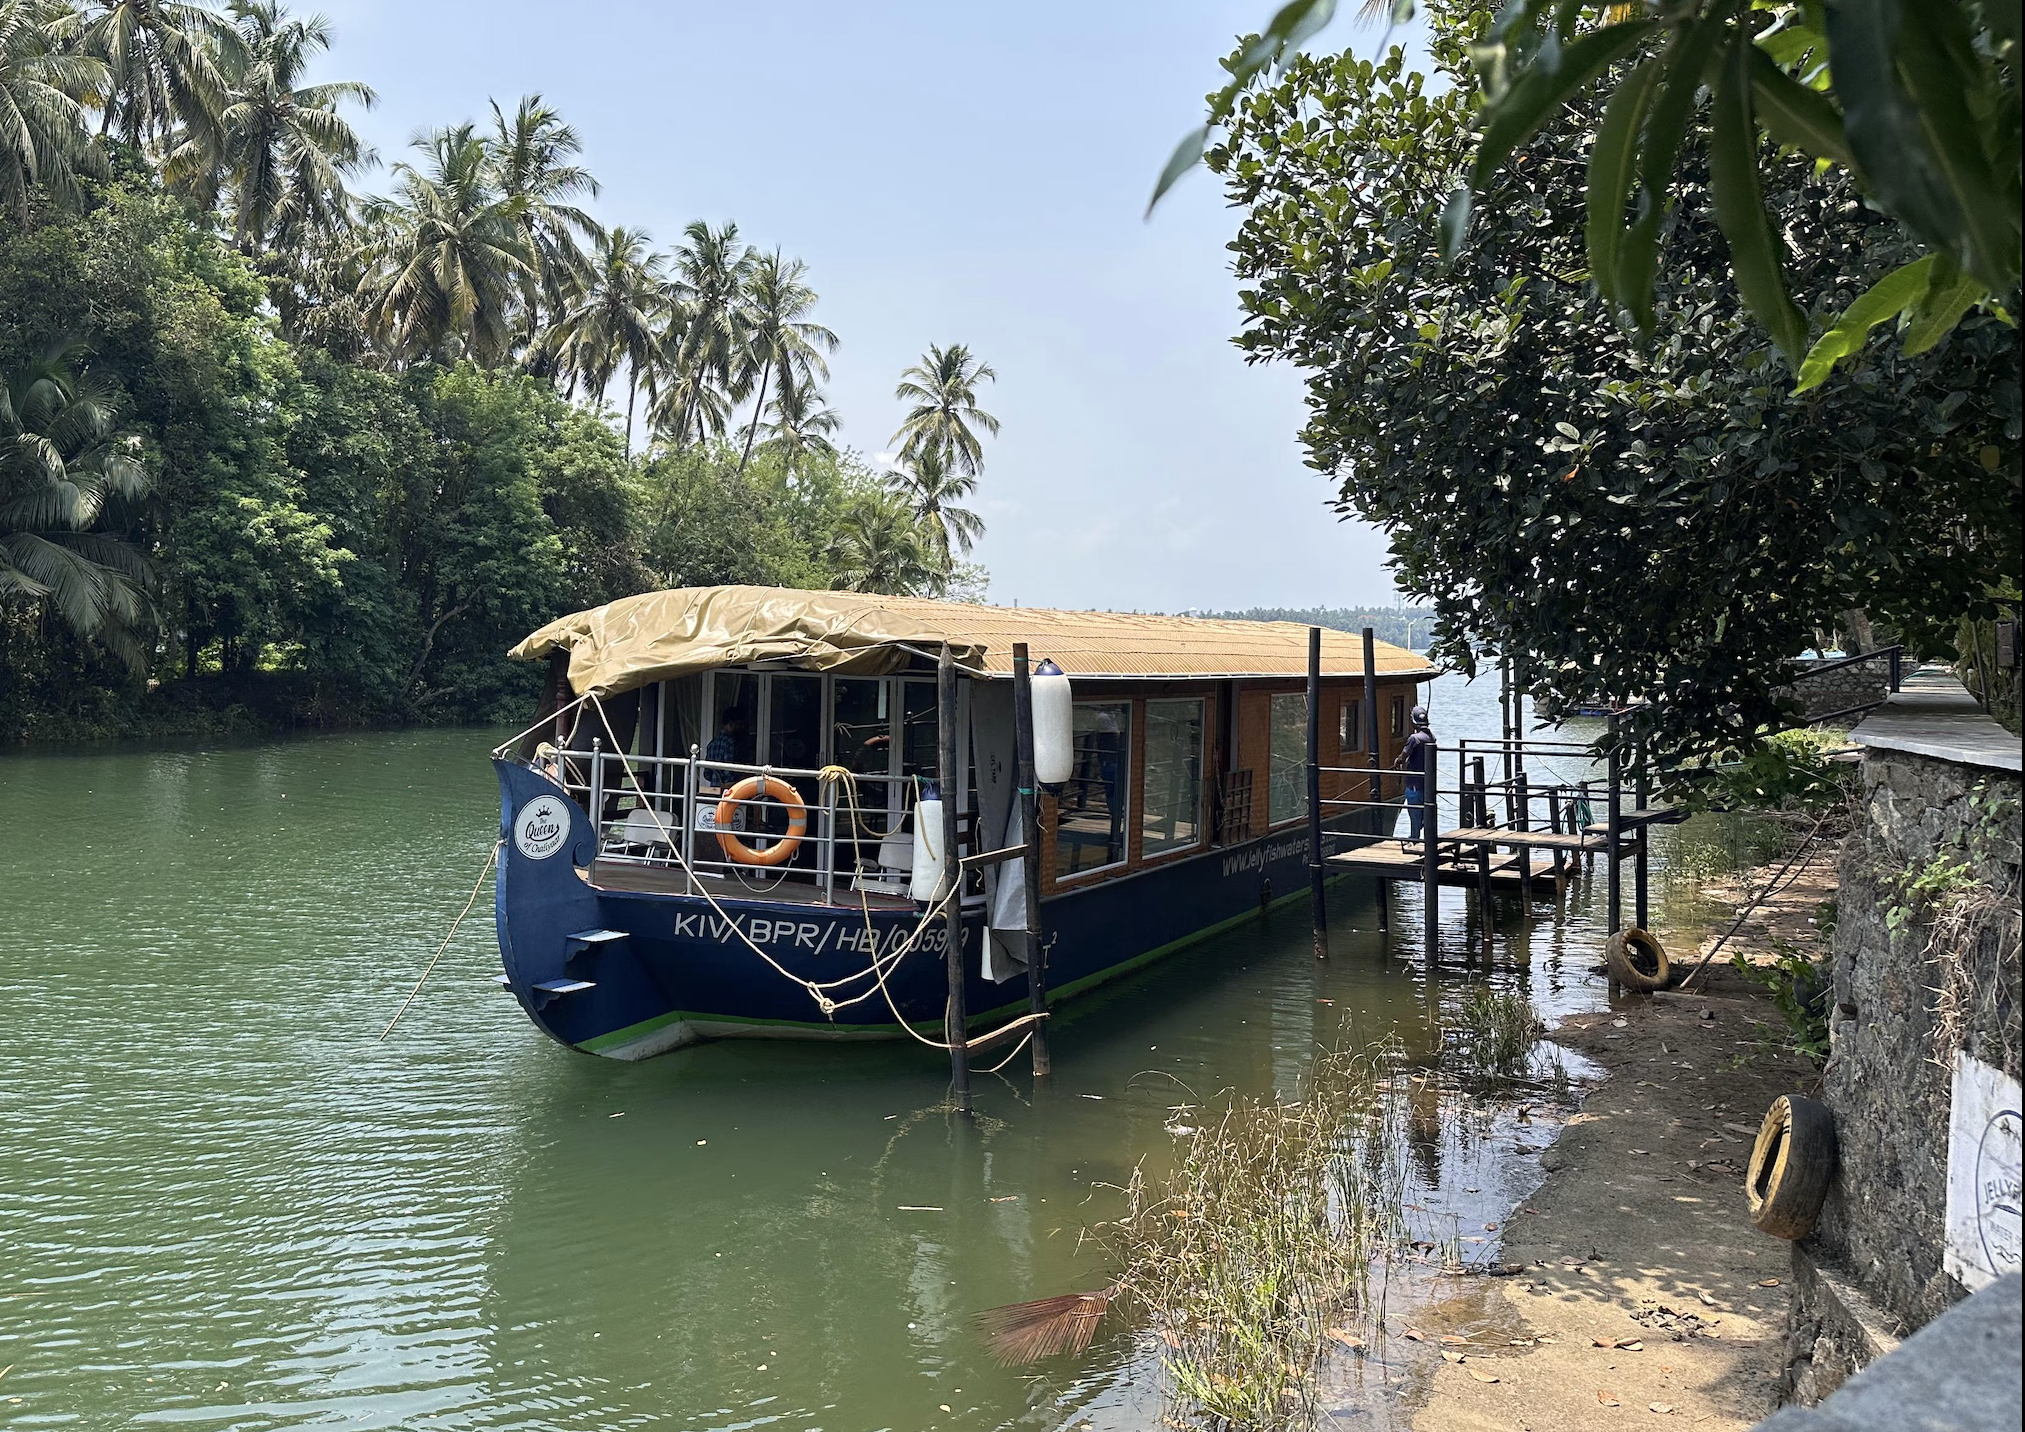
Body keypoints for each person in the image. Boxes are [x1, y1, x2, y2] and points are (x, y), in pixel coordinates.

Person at [1395, 705, 1436, 847]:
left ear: (1413, 722)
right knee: (1425, 812)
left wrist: (1398, 761)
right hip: (1428, 782)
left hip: (1413, 783)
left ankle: (1414, 838)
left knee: (1414, 811)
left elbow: (1404, 755)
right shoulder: (1431, 737)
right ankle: (1425, 839)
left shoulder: (1414, 738)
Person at [703, 707, 752, 788]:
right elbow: (729, 770)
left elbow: (707, 774)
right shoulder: (730, 742)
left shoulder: (712, 744)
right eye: (738, 724)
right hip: (729, 790)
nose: (740, 727)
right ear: (731, 724)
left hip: (715, 789)